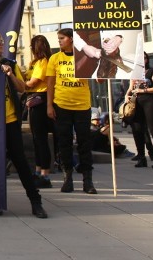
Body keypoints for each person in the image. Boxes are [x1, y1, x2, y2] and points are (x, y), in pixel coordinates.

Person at [0, 31, 47, 218]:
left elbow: (23, 88)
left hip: (10, 119)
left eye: (2, 41)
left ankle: (35, 200)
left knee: (20, 160)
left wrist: (9, 75)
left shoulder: (10, 64)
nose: (1, 43)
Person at [47, 28, 97, 194]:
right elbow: (50, 84)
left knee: (84, 143)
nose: (59, 41)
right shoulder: (55, 58)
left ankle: (87, 181)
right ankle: (67, 178)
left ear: (71, 39)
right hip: (61, 105)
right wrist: (49, 105)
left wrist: (103, 67)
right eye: (58, 38)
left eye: (62, 38)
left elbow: (100, 79)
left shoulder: (84, 56)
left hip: (82, 105)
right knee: (64, 143)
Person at [124, 52, 153, 169]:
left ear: (147, 60)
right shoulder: (134, 73)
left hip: (149, 101)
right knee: (137, 130)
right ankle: (141, 157)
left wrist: (144, 91)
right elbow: (130, 88)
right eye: (140, 58)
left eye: (145, 58)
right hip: (136, 103)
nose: (143, 60)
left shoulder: (150, 72)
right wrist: (126, 96)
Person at [23, 35, 54, 188]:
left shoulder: (42, 62)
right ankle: (38, 171)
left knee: (40, 139)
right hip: (35, 99)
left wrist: (21, 84)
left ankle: (45, 174)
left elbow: (32, 82)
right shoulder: (34, 63)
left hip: (39, 100)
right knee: (37, 139)